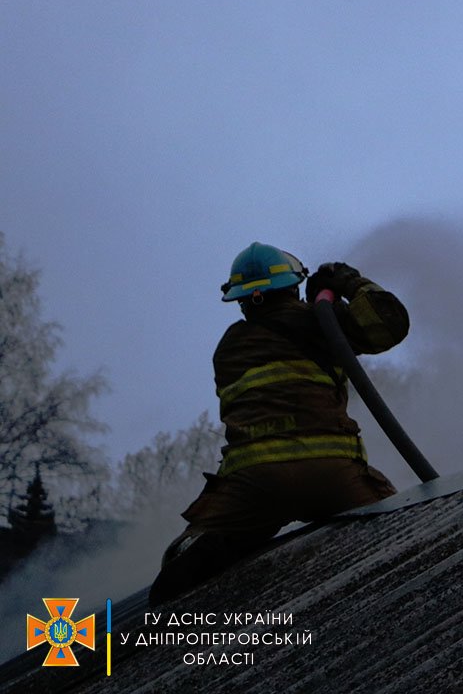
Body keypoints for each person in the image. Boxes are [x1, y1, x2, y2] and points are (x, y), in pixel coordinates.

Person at [149, 242, 409, 605]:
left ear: (242, 300)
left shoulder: (228, 348)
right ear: (291, 287)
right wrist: (347, 282)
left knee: (185, 560)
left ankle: (208, 551)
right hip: (333, 476)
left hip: (253, 486)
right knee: (404, 526)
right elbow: (389, 324)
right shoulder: (321, 322)